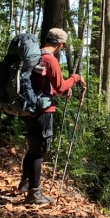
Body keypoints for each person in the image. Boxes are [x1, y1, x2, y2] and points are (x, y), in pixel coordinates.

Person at [19, 28, 85, 205]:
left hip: (28, 107)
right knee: (38, 151)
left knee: (33, 146)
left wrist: (60, 90)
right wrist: (76, 78)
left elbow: (46, 85)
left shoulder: (35, 56)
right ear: (60, 44)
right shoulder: (50, 59)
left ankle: (25, 184)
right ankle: (34, 193)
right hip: (43, 111)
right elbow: (62, 86)